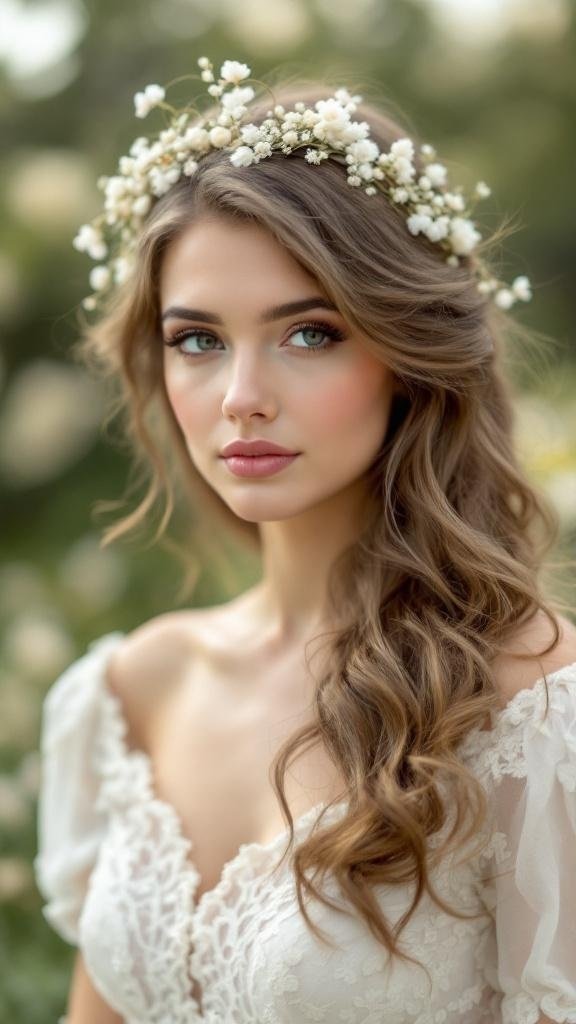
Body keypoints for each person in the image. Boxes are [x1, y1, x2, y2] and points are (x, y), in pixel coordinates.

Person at [34, 56, 576, 1024]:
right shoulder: (133, 691)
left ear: (409, 354)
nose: (242, 395)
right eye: (197, 339)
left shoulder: (531, 708)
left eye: (310, 332)